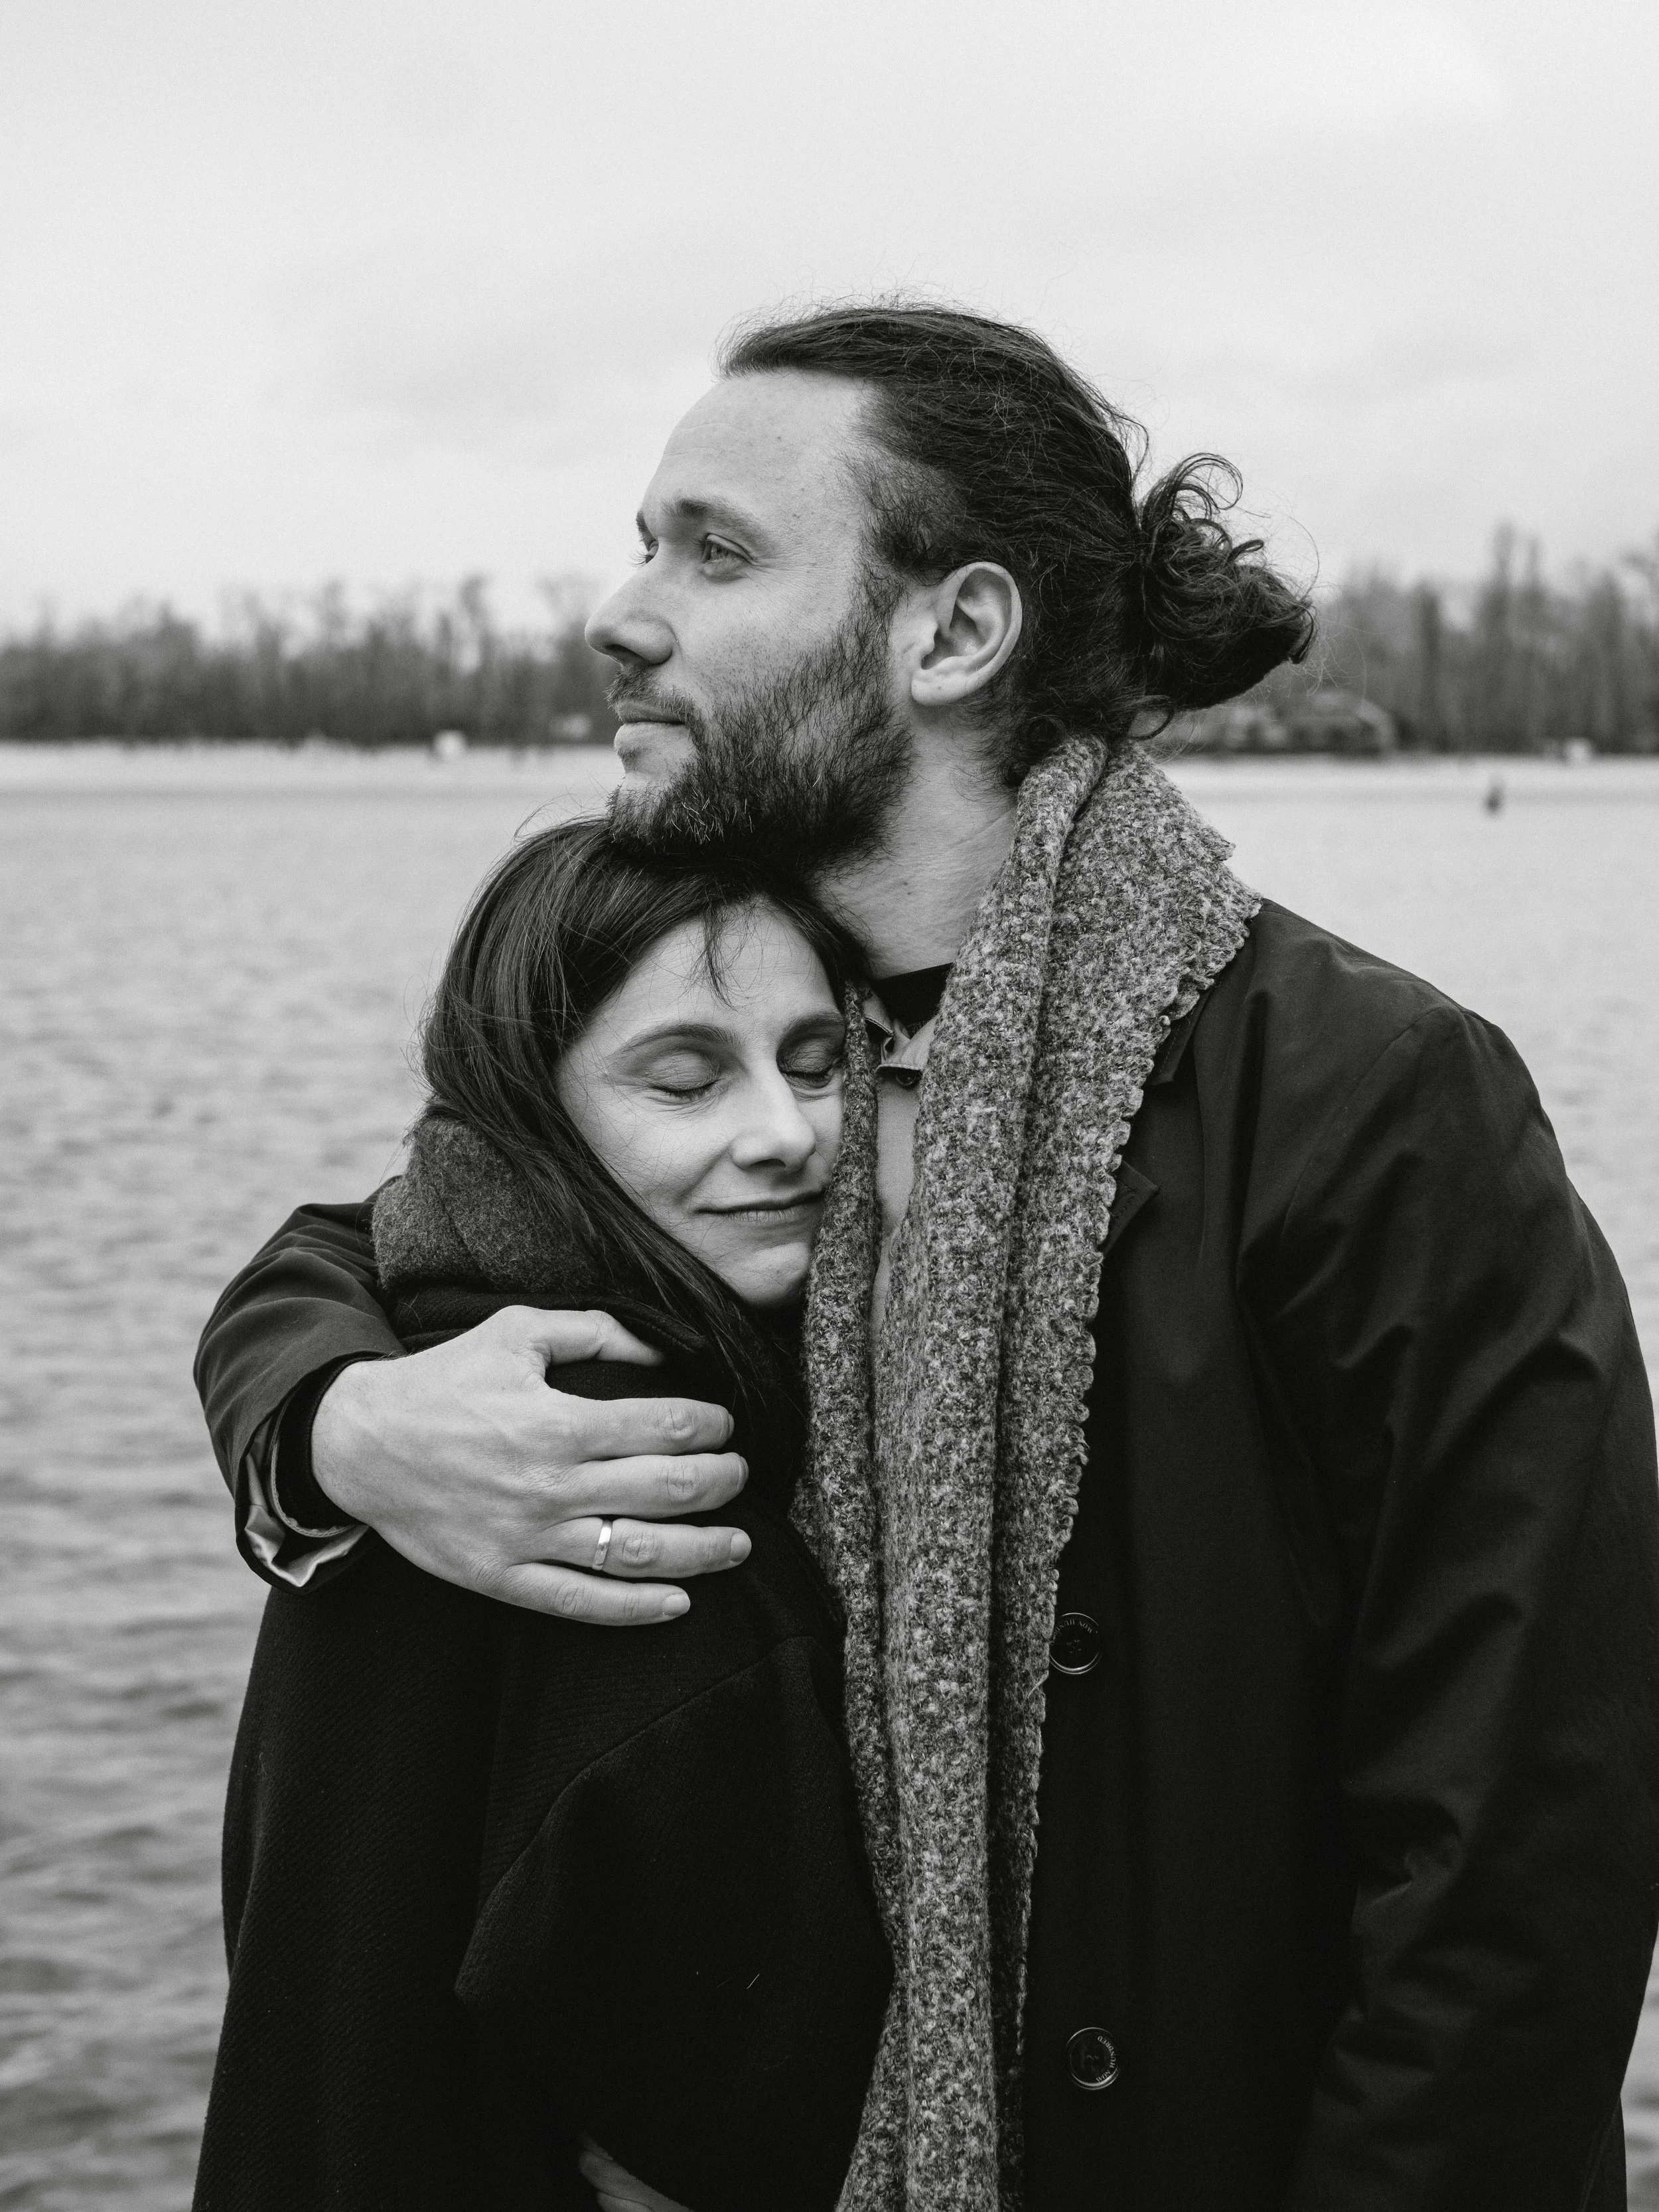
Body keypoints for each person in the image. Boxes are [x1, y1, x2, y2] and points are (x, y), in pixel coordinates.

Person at [196, 303, 1659, 2211]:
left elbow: (1515, 1851)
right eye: (644, 541)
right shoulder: (711, 1051)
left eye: (711, 550)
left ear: (952, 634)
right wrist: (326, 1426)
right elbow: (390, 1234)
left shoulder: (1364, 1096)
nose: (621, 612)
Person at [194, 824, 890, 2211]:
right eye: (684, 1079)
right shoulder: (649, 1507)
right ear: (530, 1111)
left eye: (819, 1063)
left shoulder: (417, 1371)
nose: (786, 1132)